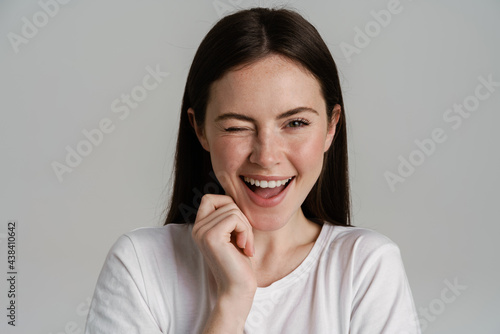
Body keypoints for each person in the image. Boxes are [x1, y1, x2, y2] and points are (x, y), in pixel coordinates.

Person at [84, 7, 421, 334]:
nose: (267, 156)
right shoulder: (139, 265)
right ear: (199, 129)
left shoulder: (367, 266)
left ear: (331, 127)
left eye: (296, 123)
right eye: (237, 127)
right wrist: (233, 301)